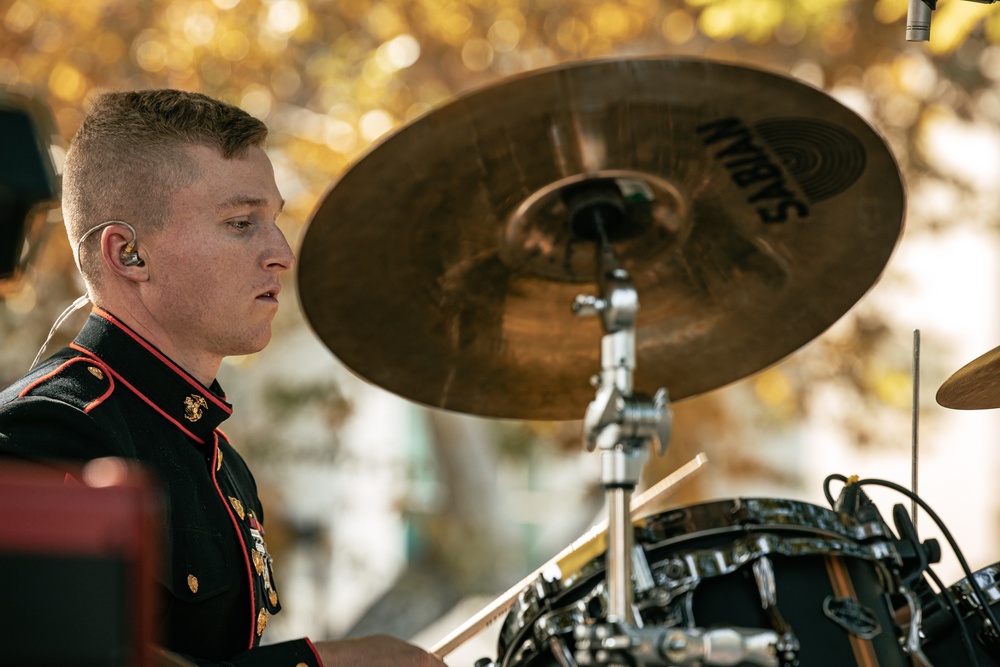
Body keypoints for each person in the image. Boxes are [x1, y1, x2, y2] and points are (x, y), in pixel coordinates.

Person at [0, 89, 446, 667]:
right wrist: (325, 663)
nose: (281, 253)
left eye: (274, 221)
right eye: (240, 223)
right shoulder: (45, 434)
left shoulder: (221, 461)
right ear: (129, 254)